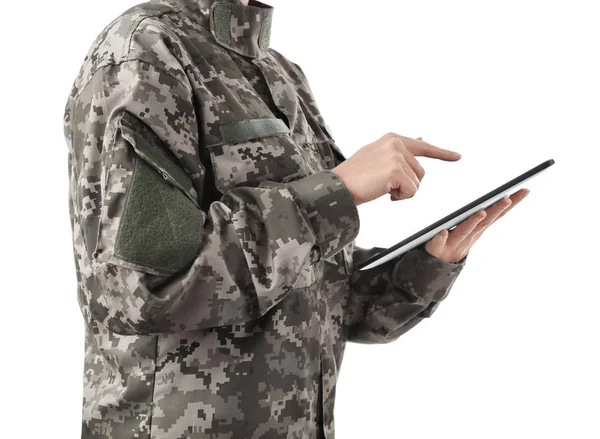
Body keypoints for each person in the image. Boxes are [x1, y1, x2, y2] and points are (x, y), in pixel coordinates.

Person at [62, 0, 529, 437]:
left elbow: (315, 296)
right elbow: (143, 290)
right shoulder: (144, 51)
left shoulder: (281, 73)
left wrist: (425, 264)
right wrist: (336, 191)